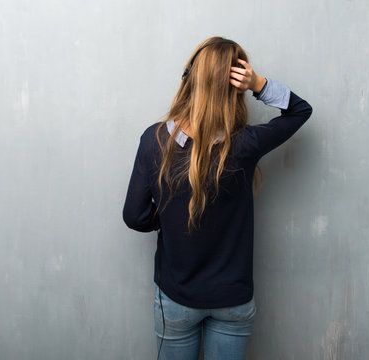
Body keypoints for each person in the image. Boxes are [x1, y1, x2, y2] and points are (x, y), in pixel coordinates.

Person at [122, 37, 312, 360]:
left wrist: (168, 217)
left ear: (189, 78)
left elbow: (134, 216)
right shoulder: (245, 145)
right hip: (233, 302)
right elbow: (299, 111)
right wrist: (259, 84)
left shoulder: (155, 140)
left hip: (177, 298)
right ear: (234, 87)